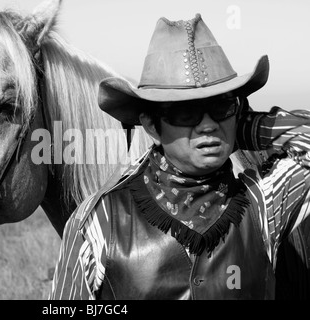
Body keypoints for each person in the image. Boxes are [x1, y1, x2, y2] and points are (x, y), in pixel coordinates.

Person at [50, 14, 310, 299]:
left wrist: (243, 125)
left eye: (221, 106)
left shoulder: (263, 203)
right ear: (151, 125)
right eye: (187, 112)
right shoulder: (100, 221)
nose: (208, 125)